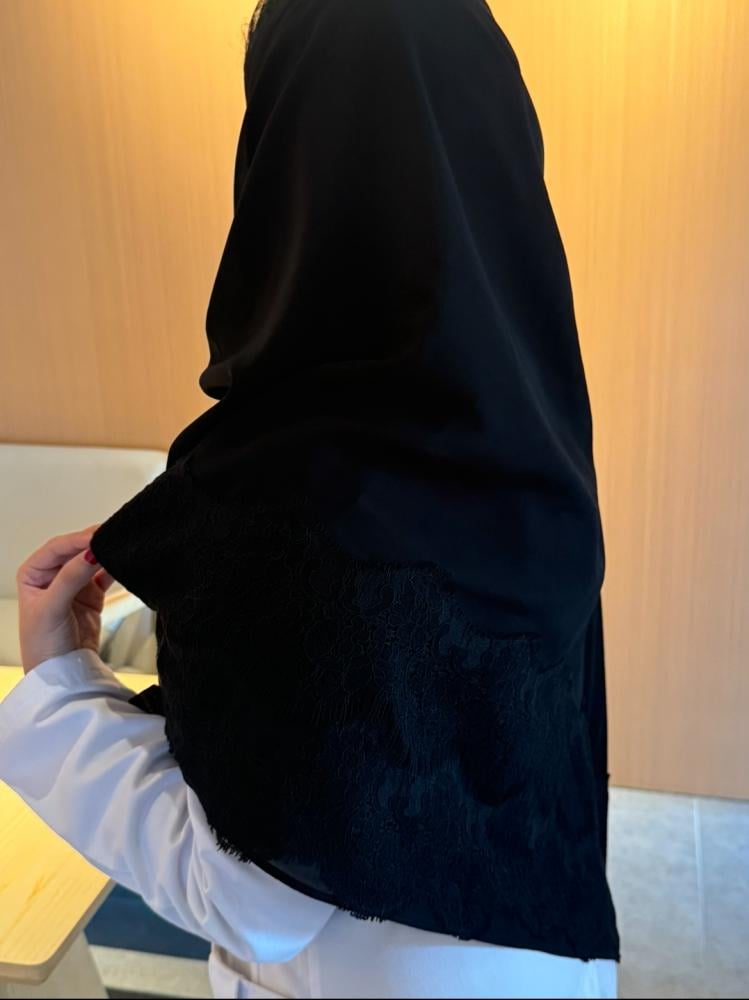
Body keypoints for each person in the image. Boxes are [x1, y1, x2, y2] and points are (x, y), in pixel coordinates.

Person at [0, 0, 621, 996]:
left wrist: (60, 692)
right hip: (549, 960)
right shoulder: (528, 438)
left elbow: (256, 897)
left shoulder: (289, 493)